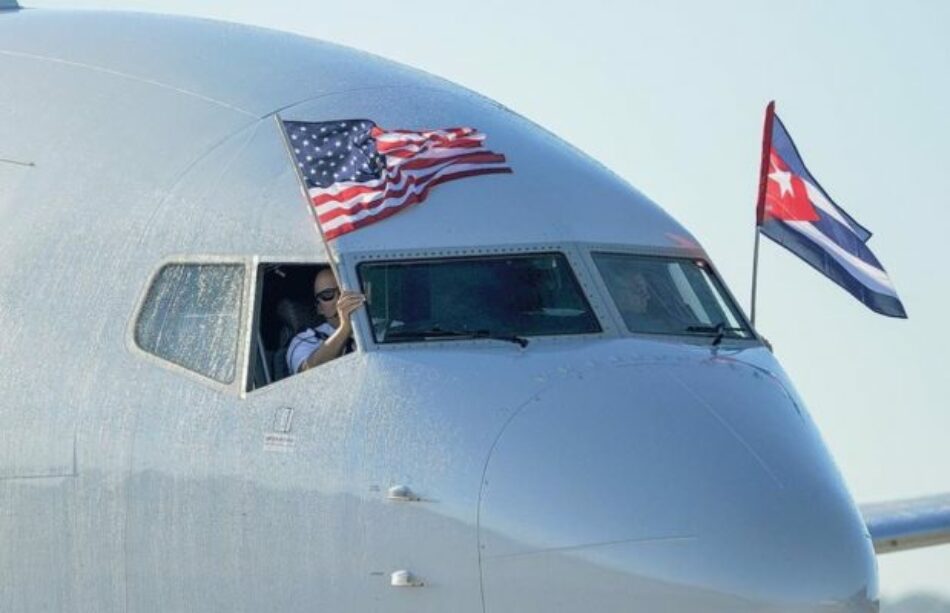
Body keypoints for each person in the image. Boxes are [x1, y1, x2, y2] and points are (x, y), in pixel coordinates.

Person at [286, 267, 366, 374]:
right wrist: (344, 329)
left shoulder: (387, 328)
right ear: (319, 307)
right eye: (328, 295)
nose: (340, 300)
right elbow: (306, 372)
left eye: (344, 291)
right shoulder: (305, 340)